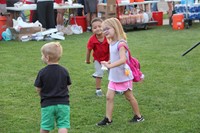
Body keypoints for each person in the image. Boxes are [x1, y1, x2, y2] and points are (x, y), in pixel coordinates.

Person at [96, 18, 144, 126]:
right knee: (109, 97)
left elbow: (123, 60)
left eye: (107, 29)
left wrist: (110, 65)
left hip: (123, 75)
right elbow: (115, 58)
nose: (105, 31)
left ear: (116, 28)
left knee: (129, 97)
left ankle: (138, 116)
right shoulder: (111, 42)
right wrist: (108, 62)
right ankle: (108, 119)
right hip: (114, 76)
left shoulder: (121, 44)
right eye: (104, 30)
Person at [34, 42, 71, 133]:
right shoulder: (64, 71)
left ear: (47, 57)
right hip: (63, 104)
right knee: (63, 125)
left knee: (45, 126)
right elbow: (68, 86)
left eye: (42, 55)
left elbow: (38, 88)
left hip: (47, 104)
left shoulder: (42, 72)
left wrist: (41, 94)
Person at [85, 17, 109, 97]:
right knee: (99, 74)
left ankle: (116, 88)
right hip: (98, 60)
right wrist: (87, 60)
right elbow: (89, 50)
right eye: (95, 27)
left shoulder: (108, 37)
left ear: (104, 26)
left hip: (109, 59)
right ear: (92, 29)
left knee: (112, 73)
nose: (98, 29)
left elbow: (113, 48)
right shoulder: (92, 40)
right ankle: (98, 90)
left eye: (99, 26)